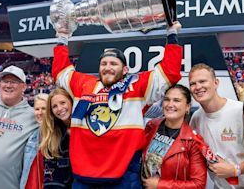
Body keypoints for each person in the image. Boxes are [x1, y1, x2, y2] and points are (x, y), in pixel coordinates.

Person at [52, 21, 183, 187]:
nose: (107, 67)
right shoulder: (83, 84)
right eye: (104, 64)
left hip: (123, 177)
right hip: (83, 178)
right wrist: (62, 38)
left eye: (114, 64)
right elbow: (60, 71)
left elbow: (169, 73)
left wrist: (172, 35)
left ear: (125, 69)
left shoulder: (137, 85)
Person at [188, 63, 244, 189]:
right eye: (193, 83)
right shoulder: (196, 119)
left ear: (216, 83)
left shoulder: (241, 111)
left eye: (202, 81)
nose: (198, 87)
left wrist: (235, 170)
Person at [142, 84, 207, 188]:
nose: (170, 104)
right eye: (167, 99)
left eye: (176, 100)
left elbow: (198, 184)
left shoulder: (193, 141)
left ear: (187, 107)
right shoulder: (151, 126)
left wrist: (160, 185)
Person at [21, 87, 72, 188]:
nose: (40, 112)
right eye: (37, 109)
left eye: (43, 109)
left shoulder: (81, 129)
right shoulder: (35, 136)